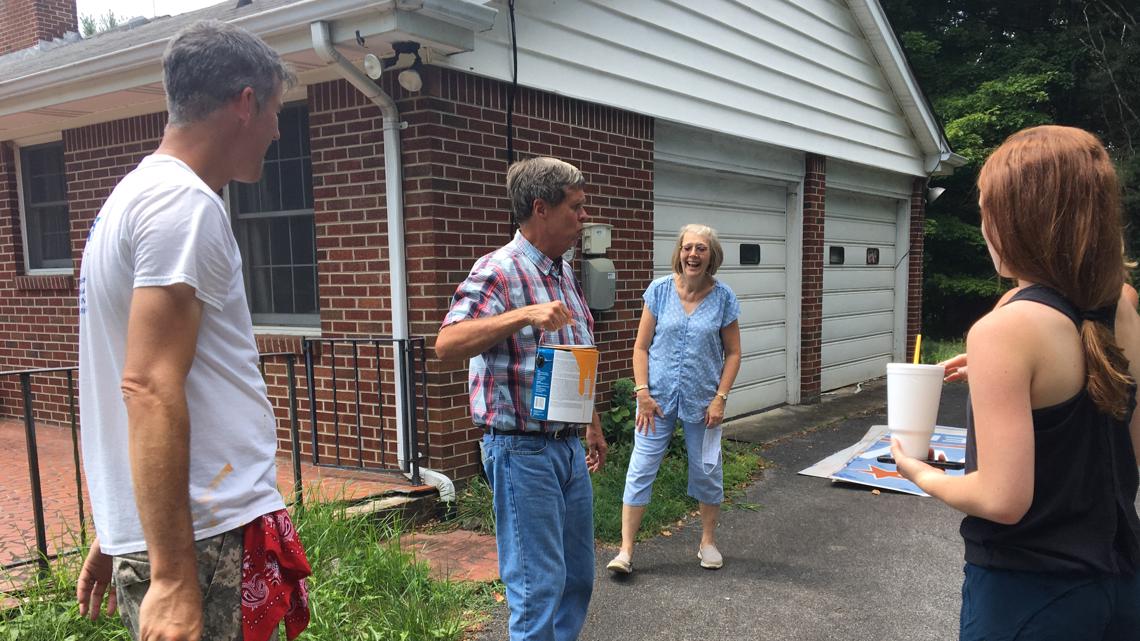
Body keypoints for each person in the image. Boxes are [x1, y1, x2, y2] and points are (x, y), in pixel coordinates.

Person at [75, 20, 310, 641]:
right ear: (246, 103)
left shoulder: (131, 198)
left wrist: (123, 524)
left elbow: (128, 367)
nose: (277, 130)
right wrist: (175, 576)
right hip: (205, 537)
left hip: (185, 527)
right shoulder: (184, 205)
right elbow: (148, 386)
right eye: (276, 111)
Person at [892, 125, 1140, 640]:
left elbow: (1004, 499)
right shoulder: (1125, 306)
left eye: (987, 209)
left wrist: (918, 472)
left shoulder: (1005, 331)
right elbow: (1128, 455)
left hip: (1029, 595)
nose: (984, 226)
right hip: (1120, 587)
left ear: (1020, 218)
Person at [436, 156, 608, 641]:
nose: (583, 218)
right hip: (520, 450)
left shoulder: (562, 273)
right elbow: (447, 343)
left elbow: (574, 350)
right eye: (575, 207)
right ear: (541, 208)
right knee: (538, 587)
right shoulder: (499, 270)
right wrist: (522, 315)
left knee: (577, 578)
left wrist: (590, 422)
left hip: (568, 447)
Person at [607, 224, 741, 574]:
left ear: (712, 255)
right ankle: (625, 551)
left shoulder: (724, 298)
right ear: (678, 252)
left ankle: (708, 543)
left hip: (703, 404)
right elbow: (640, 347)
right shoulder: (659, 291)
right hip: (656, 403)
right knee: (640, 469)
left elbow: (734, 353)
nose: (692, 255)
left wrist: (720, 398)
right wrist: (642, 393)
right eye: (687, 248)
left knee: (707, 471)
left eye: (701, 248)